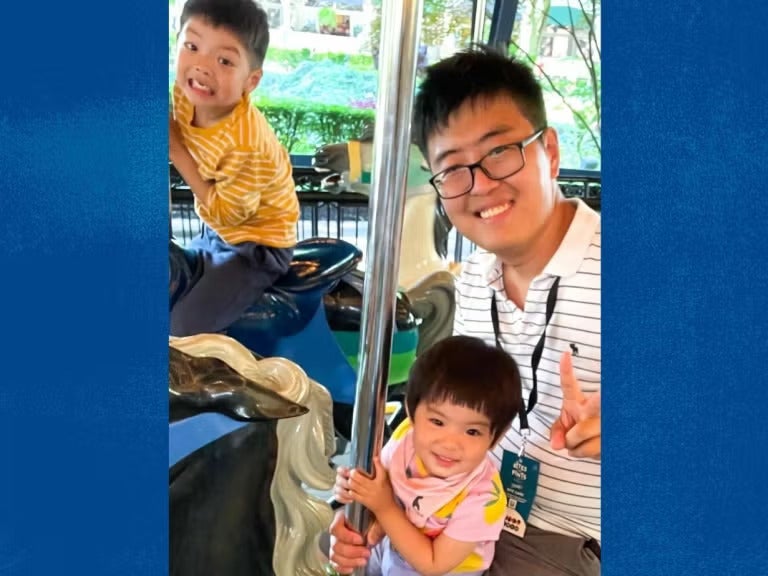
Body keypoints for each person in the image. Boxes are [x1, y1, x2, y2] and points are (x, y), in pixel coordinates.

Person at [328, 46, 601, 576]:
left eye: (499, 152)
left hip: (560, 536)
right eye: (453, 169)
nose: (480, 185)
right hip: (457, 501)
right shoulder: (473, 279)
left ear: (549, 150)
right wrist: (377, 514)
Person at [334, 335, 522, 576]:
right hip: (391, 543)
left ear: (495, 437)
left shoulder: (483, 499)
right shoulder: (405, 439)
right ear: (411, 413)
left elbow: (433, 564)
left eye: (472, 431)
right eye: (437, 421)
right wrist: (354, 486)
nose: (450, 443)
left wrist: (384, 507)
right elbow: (380, 481)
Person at [169, 0, 299, 337]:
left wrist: (176, 152)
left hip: (258, 245)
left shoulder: (246, 143)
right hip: (220, 229)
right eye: (192, 46)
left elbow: (230, 215)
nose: (201, 66)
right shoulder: (186, 95)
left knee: (184, 327)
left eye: (224, 60)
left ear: (251, 80)